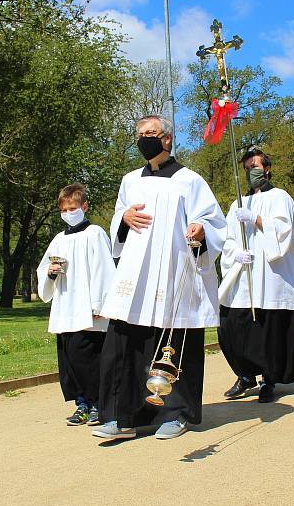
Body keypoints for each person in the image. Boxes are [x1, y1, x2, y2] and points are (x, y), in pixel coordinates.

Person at [95, 115, 227, 441]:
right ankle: (121, 417)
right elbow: (118, 222)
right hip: (135, 277)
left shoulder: (190, 180)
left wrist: (202, 230)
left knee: (175, 343)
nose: (144, 139)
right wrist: (123, 218)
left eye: (151, 133)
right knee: (124, 342)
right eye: (140, 134)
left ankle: (177, 413)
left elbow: (213, 223)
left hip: (173, 272)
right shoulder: (130, 180)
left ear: (167, 139)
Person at [218, 147, 294, 403]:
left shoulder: (280, 196)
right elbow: (226, 238)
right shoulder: (237, 203)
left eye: (255, 167)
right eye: (247, 168)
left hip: (270, 276)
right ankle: (246, 374)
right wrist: (235, 252)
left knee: (269, 330)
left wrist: (256, 218)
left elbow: (283, 232)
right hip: (244, 274)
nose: (251, 172)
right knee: (230, 327)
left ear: (267, 169)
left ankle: (269, 379)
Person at [36, 184, 116, 426]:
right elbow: (44, 268)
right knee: (70, 360)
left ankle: (98, 404)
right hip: (65, 308)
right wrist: (50, 273)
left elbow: (103, 269)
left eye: (72, 208)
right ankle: (81, 403)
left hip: (88, 310)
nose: (68, 212)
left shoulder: (95, 233)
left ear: (84, 207)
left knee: (89, 358)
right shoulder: (59, 239)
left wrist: (100, 304)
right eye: (63, 209)